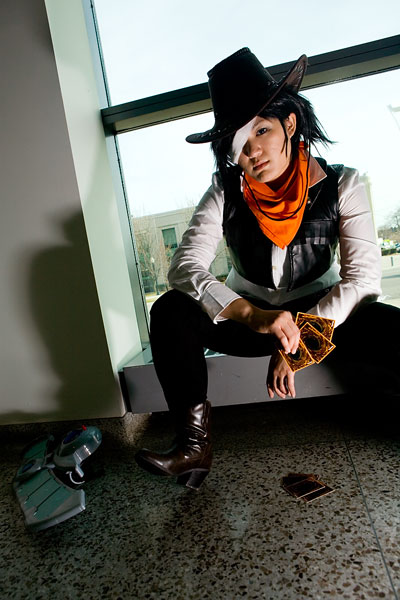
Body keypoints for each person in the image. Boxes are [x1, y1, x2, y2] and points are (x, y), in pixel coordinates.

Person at [135, 48, 399, 490]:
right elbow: (184, 268)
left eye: (262, 130)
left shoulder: (343, 183)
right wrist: (252, 315)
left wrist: (300, 342)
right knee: (169, 311)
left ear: (289, 124)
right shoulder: (223, 191)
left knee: (387, 322)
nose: (253, 151)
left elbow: (363, 280)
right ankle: (193, 446)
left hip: (320, 317)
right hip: (250, 321)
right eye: (238, 143)